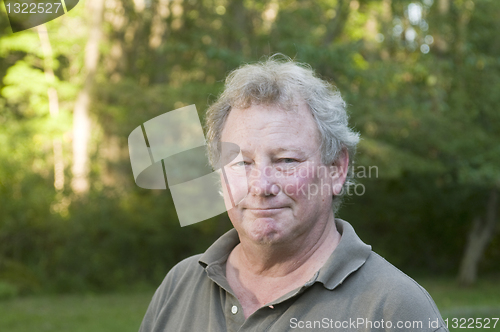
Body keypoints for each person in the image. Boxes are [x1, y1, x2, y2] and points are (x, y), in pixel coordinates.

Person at [138, 56, 449, 332]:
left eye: (286, 160)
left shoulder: (393, 309)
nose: (261, 186)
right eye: (242, 163)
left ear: (336, 169)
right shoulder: (180, 285)